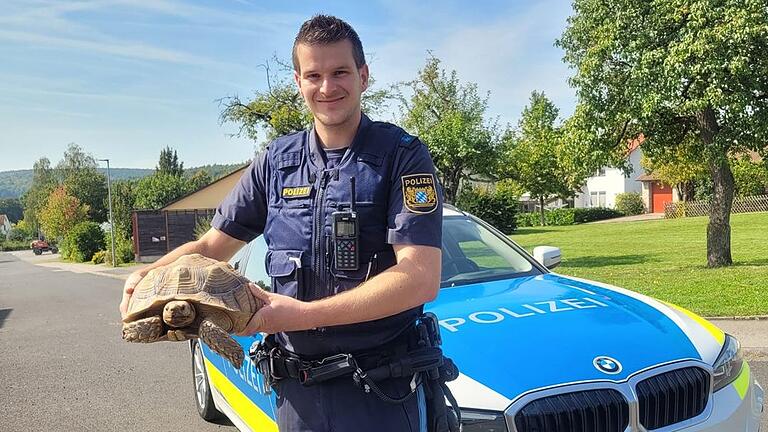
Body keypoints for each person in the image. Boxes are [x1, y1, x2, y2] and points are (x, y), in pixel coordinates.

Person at [120, 15, 453, 432]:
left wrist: (300, 315)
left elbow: (420, 277)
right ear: (299, 82)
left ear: (364, 76)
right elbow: (210, 247)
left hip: (379, 392)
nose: (327, 87)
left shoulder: (403, 157)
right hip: (296, 396)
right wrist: (147, 279)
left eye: (340, 72)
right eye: (314, 74)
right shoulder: (276, 163)